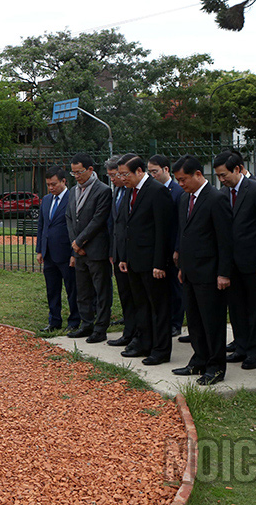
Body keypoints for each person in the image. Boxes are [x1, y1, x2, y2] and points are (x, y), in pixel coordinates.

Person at [171, 156, 234, 385]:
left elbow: (225, 240)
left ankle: (216, 367)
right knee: (195, 321)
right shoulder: (185, 198)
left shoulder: (216, 199)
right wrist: (182, 265)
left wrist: (223, 273)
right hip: (190, 271)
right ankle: (199, 359)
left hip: (210, 273)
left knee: (212, 322)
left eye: (183, 179)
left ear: (198, 174)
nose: (181, 184)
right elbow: (184, 232)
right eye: (177, 180)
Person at [114, 153, 174, 365]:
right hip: (133, 260)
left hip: (152, 263)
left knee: (158, 307)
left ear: (139, 171)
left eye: (125, 174)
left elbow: (163, 231)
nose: (122, 178)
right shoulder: (129, 192)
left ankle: (161, 349)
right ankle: (143, 342)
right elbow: (127, 226)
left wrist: (159, 263)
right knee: (141, 305)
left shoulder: (157, 192)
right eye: (120, 175)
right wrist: (124, 256)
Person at [214, 151, 256, 369]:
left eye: (224, 174)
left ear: (237, 169)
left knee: (255, 308)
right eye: (218, 176)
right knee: (235, 307)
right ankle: (241, 346)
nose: (221, 179)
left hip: (252, 261)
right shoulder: (222, 193)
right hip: (230, 262)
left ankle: (255, 351)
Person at [64, 154, 113, 342]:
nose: (76, 176)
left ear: (91, 170)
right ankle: (86, 323)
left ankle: (100, 328)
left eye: (80, 172)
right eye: (73, 172)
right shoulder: (73, 191)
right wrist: (75, 244)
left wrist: (81, 241)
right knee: (83, 290)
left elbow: (98, 220)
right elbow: (69, 217)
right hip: (79, 251)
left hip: (96, 250)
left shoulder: (103, 191)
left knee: (101, 291)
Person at [36, 166, 80, 333]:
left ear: (63, 181)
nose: (51, 187)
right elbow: (42, 225)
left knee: (72, 289)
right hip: (49, 254)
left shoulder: (73, 198)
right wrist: (40, 249)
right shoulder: (46, 200)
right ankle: (54, 320)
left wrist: (73, 253)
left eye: (53, 184)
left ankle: (74, 320)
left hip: (66, 253)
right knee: (52, 289)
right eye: (48, 184)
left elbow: (76, 228)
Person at [149, 154, 184, 338]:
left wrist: (177, 248)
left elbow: (180, 223)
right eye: (150, 172)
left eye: (155, 171)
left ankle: (176, 322)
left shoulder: (177, 191)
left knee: (176, 287)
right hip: (159, 247)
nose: (152, 175)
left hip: (173, 246)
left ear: (166, 170)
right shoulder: (153, 190)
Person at [105, 157, 138, 347]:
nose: (113, 179)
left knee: (134, 296)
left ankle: (135, 332)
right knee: (124, 294)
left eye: (114, 175)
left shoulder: (130, 192)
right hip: (117, 253)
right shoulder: (116, 191)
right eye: (110, 176)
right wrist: (113, 250)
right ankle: (128, 331)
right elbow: (114, 224)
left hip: (130, 253)